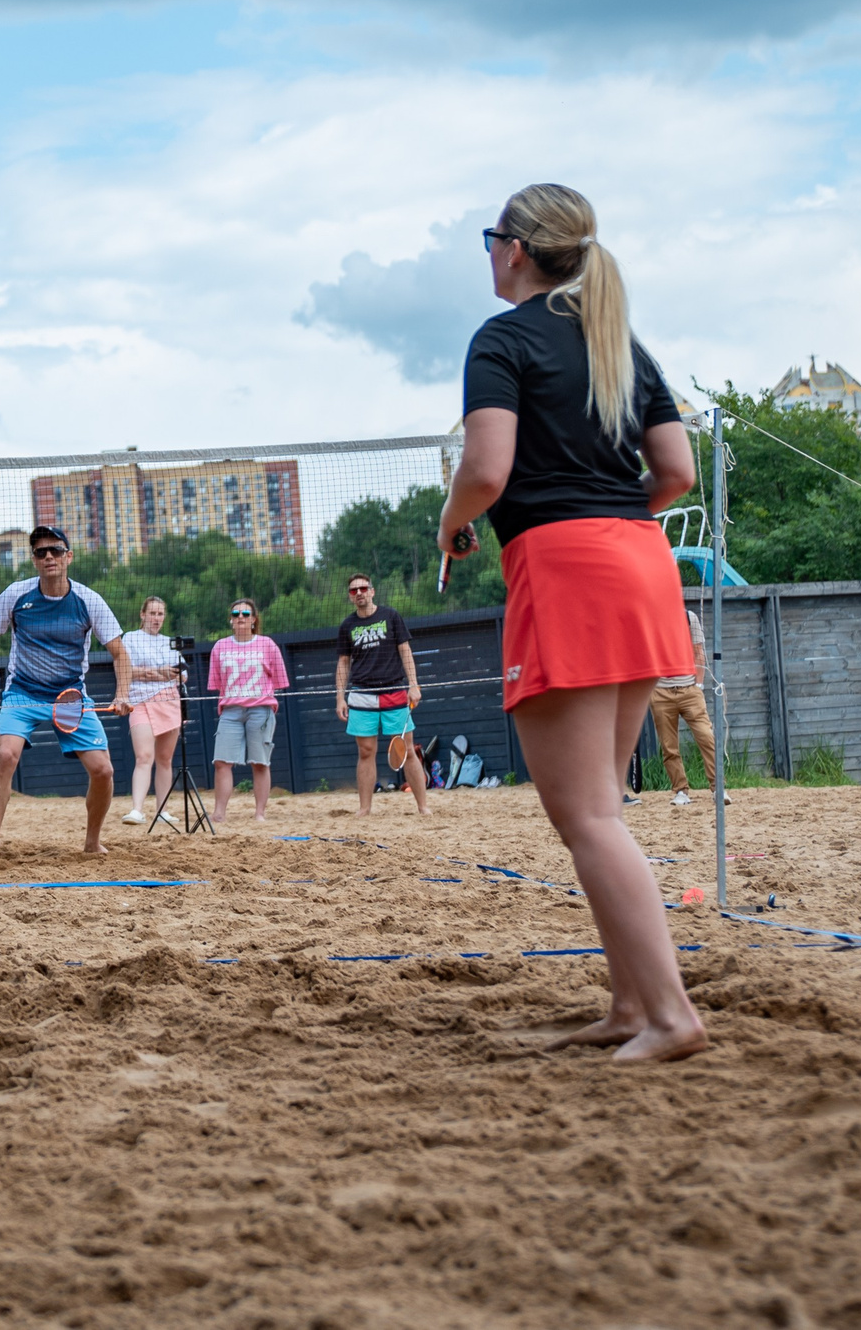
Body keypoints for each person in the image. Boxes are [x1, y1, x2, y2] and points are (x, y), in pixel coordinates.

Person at [435, 183, 706, 1063]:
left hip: (568, 566)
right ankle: (631, 1004)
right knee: (605, 805)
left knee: (587, 815)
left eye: (490, 238)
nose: (488, 251)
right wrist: (610, 513)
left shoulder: (503, 338)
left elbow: (485, 467)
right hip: (640, 557)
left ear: (513, 248)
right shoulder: (616, 340)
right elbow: (676, 471)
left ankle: (671, 1016)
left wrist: (452, 521)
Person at [0, 526, 134, 864]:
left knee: (103, 771)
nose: (48, 556)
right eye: (40, 552)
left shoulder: (89, 600)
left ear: (68, 557)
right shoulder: (17, 594)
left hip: (71, 697)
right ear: (33, 560)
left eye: (56, 551)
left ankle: (92, 842)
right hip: (23, 694)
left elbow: (120, 653)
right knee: (6, 756)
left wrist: (122, 694)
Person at [336, 573, 426, 815]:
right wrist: (339, 698)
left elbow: (405, 650)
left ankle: (423, 807)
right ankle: (365, 809)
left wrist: (413, 684)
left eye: (363, 588)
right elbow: (343, 663)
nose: (359, 593)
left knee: (407, 750)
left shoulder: (391, 616)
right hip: (361, 695)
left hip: (394, 691)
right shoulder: (347, 625)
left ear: (372, 591)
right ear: (350, 596)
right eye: (354, 590)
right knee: (365, 751)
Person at [207, 597, 288, 823]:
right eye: (235, 614)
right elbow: (216, 683)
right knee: (222, 762)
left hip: (260, 710)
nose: (240, 618)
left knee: (260, 762)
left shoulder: (267, 644)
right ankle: (219, 813)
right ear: (230, 620)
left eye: (245, 614)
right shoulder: (220, 647)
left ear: (253, 619)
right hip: (231, 711)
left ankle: (259, 813)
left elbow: (280, 681)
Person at [118, 597, 184, 827]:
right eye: (152, 613)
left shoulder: (170, 642)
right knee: (144, 756)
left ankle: (162, 811)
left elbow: (181, 674)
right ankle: (137, 810)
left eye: (160, 614)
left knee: (165, 759)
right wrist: (159, 673)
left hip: (168, 702)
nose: (156, 618)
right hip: (140, 702)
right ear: (142, 614)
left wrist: (163, 674)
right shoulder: (130, 638)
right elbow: (127, 670)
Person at [650, 607, 720, 806]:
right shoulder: (649, 617)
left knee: (706, 736)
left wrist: (698, 684)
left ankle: (718, 788)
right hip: (661, 691)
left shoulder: (689, 618)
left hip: (689, 688)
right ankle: (680, 790)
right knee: (668, 745)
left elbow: (699, 652)